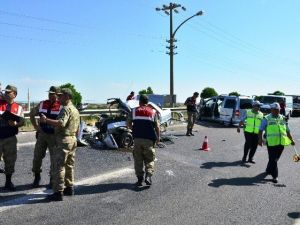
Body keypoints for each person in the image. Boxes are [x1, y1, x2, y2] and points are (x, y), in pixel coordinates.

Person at [40, 88, 80, 201]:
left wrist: (46, 120)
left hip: (64, 140)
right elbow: (77, 128)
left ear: (67, 97)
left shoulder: (66, 109)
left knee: (58, 166)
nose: (58, 97)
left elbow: (61, 123)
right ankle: (69, 187)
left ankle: (58, 192)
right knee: (69, 165)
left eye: (60, 96)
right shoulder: (75, 109)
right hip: (72, 139)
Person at [30, 86, 62, 188]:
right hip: (42, 134)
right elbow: (31, 114)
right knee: (37, 157)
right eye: (49, 93)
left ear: (58, 95)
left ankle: (52, 179)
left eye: (52, 94)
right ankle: (37, 176)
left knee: (54, 159)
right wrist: (36, 127)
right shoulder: (42, 103)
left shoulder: (61, 106)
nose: (50, 95)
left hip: (54, 136)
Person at [127, 94, 160, 187]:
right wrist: (158, 138)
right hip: (149, 139)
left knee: (138, 160)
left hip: (137, 139)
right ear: (147, 102)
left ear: (139, 101)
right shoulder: (153, 112)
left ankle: (139, 179)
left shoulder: (133, 111)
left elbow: (128, 124)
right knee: (149, 159)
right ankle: (148, 176)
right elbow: (157, 126)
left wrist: (134, 129)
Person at [258, 102, 295, 183]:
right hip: (271, 143)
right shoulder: (266, 118)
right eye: (274, 109)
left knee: (275, 159)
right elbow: (260, 130)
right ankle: (275, 176)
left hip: (281, 143)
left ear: (280, 109)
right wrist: (260, 140)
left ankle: (268, 170)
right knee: (273, 159)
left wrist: (291, 140)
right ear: (271, 110)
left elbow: (287, 131)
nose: (276, 111)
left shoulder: (283, 118)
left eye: (278, 109)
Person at [0, 85, 25, 191]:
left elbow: (22, 122)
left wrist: (15, 124)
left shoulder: (18, 108)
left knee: (10, 160)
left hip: (10, 137)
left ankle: (8, 182)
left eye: (8, 92)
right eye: (5, 92)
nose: (5, 93)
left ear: (14, 94)